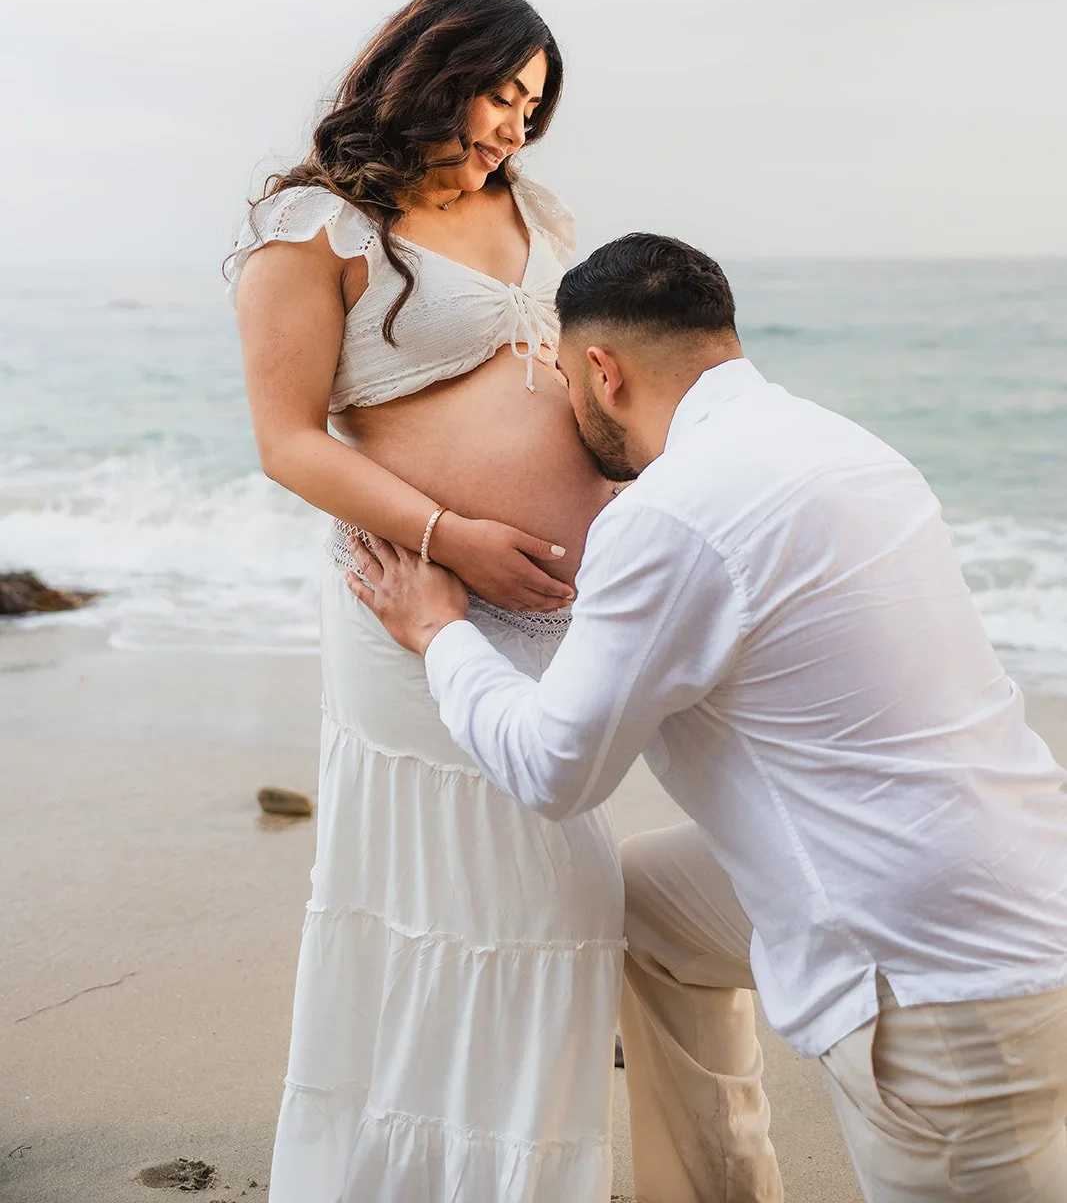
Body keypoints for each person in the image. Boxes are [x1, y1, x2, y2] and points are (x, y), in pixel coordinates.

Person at [349, 232, 1067, 1203]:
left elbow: (555, 769)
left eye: (561, 379)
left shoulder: (670, 514)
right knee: (637, 898)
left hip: (942, 990)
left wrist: (437, 631)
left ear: (600, 371)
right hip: (1021, 879)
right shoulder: (844, 447)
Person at [227, 0, 625, 1202]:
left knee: (556, 904)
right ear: (428, 67)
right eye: (500, 95)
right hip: (417, 604)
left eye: (531, 108)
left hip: (556, 612)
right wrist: (452, 535)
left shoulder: (527, 205)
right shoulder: (313, 226)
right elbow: (290, 441)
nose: (512, 127)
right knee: (447, 900)